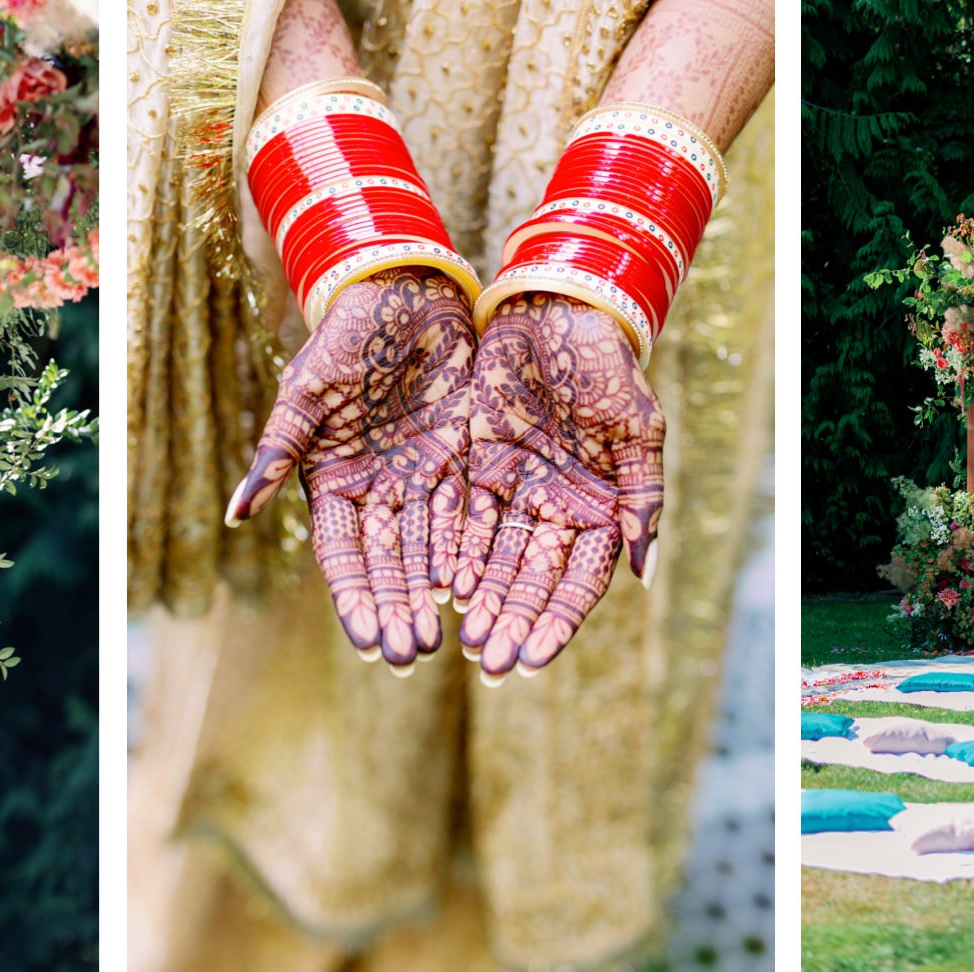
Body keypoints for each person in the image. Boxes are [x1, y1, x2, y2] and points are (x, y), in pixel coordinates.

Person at [128, 0, 774, 966]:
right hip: (338, 79)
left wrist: (614, 248)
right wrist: (349, 218)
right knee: (301, 665)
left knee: (576, 676)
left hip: (677, 111)